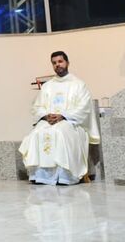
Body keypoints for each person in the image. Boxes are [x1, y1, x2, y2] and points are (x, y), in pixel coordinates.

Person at [19, 51, 100, 185]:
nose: (58, 65)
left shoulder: (78, 84)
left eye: (60, 61)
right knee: (37, 133)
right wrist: (45, 116)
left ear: (67, 63)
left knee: (59, 132)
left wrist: (63, 116)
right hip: (49, 121)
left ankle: (64, 176)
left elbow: (84, 107)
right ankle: (40, 176)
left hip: (71, 122)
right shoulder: (47, 86)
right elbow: (37, 106)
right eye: (54, 63)